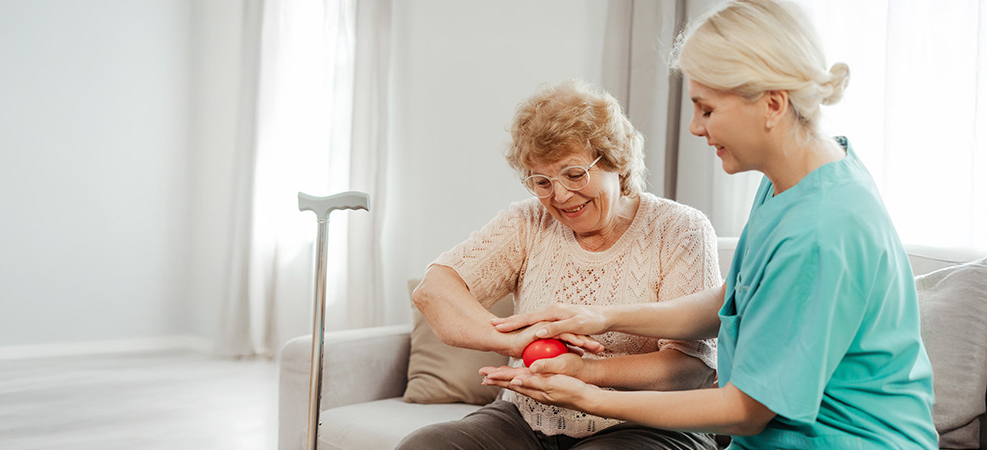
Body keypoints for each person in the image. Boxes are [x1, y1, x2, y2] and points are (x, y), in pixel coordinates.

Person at [482, 1, 939, 448]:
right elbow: (732, 299)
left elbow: (745, 411)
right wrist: (601, 316)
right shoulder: (794, 180)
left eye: (706, 108)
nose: (695, 128)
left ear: (772, 105)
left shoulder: (820, 230)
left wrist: (592, 396)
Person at [397, 79, 723, 450]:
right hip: (527, 417)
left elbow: (689, 369)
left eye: (573, 174)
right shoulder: (528, 222)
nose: (560, 196)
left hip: (648, 421)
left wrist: (587, 373)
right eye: (542, 181)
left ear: (616, 160)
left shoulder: (680, 228)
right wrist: (519, 341)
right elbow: (434, 291)